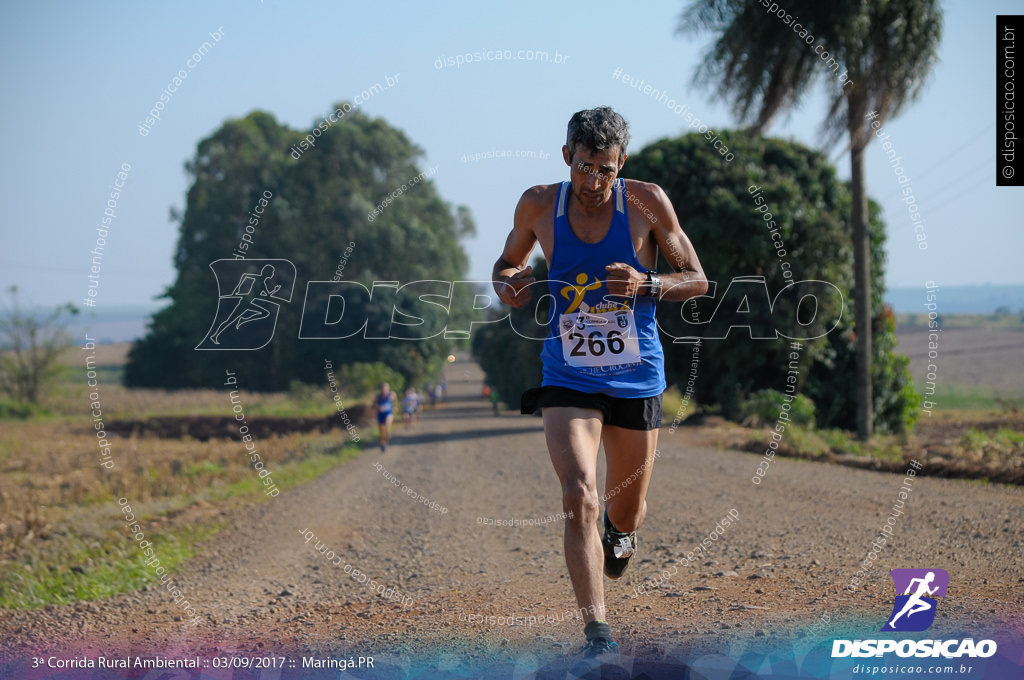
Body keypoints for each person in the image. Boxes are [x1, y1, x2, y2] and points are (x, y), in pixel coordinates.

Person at [491, 107, 707, 664]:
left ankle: (620, 531)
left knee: (627, 510)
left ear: (622, 164)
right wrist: (510, 283)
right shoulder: (539, 203)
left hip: (637, 378)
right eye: (586, 167)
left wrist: (649, 282)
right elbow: (507, 263)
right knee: (578, 493)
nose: (594, 182)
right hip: (568, 373)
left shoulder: (647, 202)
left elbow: (697, 280)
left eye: (606, 170)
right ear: (568, 157)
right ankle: (598, 632)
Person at [376, 382, 397, 451]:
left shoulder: (392, 395)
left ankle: (387, 443)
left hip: (389, 413)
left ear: (388, 389)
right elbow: (373, 405)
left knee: (387, 428)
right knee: (381, 431)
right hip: (380, 415)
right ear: (381, 389)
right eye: (383, 389)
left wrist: (395, 407)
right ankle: (383, 443)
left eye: (386, 388)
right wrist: (378, 407)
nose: (385, 390)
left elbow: (395, 400)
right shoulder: (378, 397)